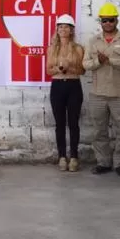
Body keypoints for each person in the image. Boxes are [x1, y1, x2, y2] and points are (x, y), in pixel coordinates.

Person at [83, 3, 120, 176]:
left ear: (116, 20)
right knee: (99, 130)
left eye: (111, 20)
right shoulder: (93, 41)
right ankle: (103, 162)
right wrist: (98, 62)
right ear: (100, 21)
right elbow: (85, 64)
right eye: (104, 20)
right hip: (98, 94)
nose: (107, 23)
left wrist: (111, 61)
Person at [45, 14, 85, 172]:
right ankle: (62, 156)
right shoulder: (51, 49)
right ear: (57, 29)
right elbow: (48, 71)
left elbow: (82, 70)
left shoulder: (78, 48)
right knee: (59, 123)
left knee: (74, 123)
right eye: (60, 27)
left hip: (74, 85)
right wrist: (59, 69)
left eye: (66, 27)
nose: (63, 29)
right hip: (57, 86)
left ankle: (74, 157)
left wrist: (69, 68)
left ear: (71, 30)